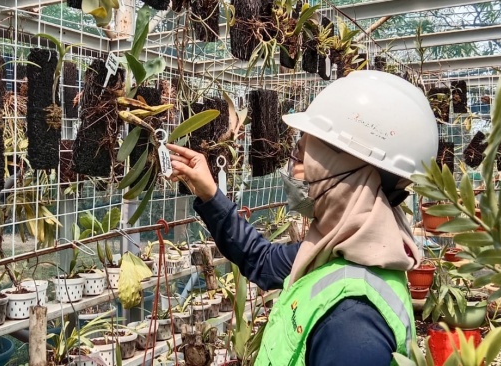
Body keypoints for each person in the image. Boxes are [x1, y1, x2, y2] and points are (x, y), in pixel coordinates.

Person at [167, 70, 438, 366]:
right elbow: (263, 260)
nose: (293, 165)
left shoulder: (352, 323)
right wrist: (210, 194)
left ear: (342, 166)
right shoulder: (340, 253)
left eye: (304, 150)